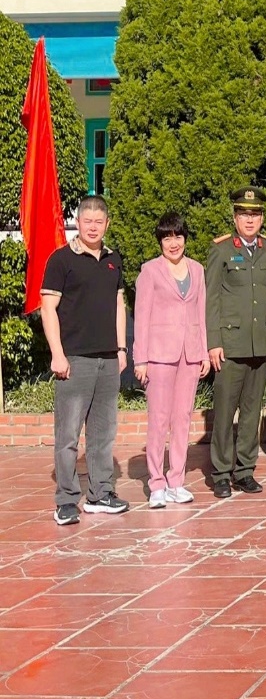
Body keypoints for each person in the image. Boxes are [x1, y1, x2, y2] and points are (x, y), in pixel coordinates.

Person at [39, 194, 129, 525]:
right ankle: (66, 500)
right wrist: (57, 354)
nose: (92, 227)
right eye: (87, 221)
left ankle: (100, 493)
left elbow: (119, 305)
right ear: (77, 222)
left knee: (103, 433)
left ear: (107, 224)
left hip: (108, 360)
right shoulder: (61, 260)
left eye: (98, 221)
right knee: (68, 436)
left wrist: (121, 349)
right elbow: (48, 308)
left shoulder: (114, 259)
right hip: (74, 360)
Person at [206, 186, 266, 500]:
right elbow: (212, 299)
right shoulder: (221, 249)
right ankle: (221, 473)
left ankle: (245, 470)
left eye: (255, 214)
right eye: (243, 214)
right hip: (231, 344)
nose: (249, 220)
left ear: (261, 218)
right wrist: (213, 341)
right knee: (225, 412)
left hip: (260, 343)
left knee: (251, 412)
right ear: (235, 217)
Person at [132, 212, 209, 509]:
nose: (173, 243)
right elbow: (141, 317)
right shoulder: (150, 271)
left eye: (178, 236)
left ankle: (176, 481)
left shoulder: (197, 270)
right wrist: (140, 359)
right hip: (159, 356)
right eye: (167, 238)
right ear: (160, 241)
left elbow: (200, 312)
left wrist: (203, 352)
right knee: (159, 419)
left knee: (182, 418)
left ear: (185, 238)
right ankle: (156, 484)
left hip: (190, 354)